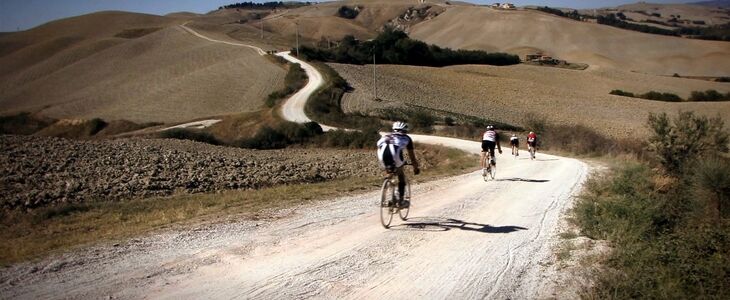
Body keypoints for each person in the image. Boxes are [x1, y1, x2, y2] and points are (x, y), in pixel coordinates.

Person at [377, 121, 420, 208]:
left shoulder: (386, 136)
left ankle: (384, 195)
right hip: (395, 154)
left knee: (389, 171)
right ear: (405, 130)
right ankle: (400, 201)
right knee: (401, 175)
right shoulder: (407, 138)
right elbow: (411, 155)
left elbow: (378, 145)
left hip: (381, 154)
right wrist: (415, 167)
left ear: (393, 129)